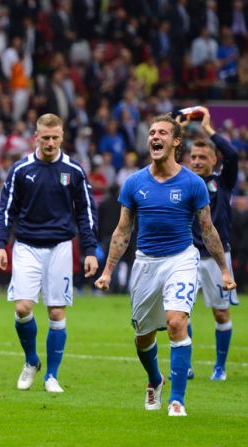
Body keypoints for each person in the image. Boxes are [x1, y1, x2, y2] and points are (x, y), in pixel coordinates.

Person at [95, 114, 236, 417]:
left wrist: (224, 270)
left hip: (182, 258)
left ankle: (177, 400)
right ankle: (155, 379)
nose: (154, 137)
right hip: (146, 262)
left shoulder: (193, 183)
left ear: (175, 142)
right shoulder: (134, 183)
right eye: (151, 133)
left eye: (162, 133)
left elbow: (208, 229)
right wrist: (107, 271)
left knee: (176, 323)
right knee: (143, 337)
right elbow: (122, 230)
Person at [0, 113, 99, 394]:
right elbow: (6, 209)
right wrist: (0, 244)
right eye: (45, 137)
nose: (50, 142)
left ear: (62, 137)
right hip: (26, 246)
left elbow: (86, 214)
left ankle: (51, 375)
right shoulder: (21, 170)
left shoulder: (74, 170)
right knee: (22, 307)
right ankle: (31, 361)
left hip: (61, 247)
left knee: (56, 311)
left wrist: (90, 250)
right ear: (36, 136)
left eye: (55, 137)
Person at [183, 107, 239, 381]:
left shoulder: (222, 181)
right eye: (193, 156)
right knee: (182, 312)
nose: (196, 161)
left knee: (220, 312)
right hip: (188, 255)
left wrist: (208, 130)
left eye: (202, 157)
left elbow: (233, 154)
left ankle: (220, 367)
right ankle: (187, 365)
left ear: (213, 160)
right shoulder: (184, 182)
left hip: (217, 257)